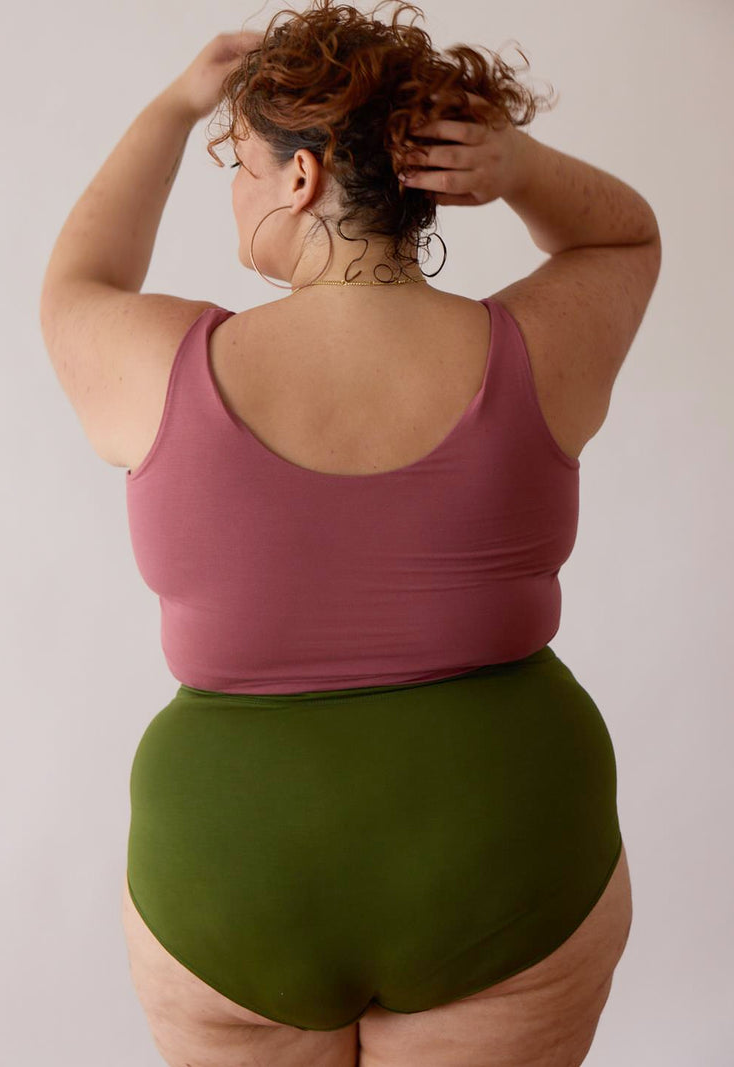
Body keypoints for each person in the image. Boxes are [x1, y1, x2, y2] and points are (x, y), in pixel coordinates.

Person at [118, 3, 661, 1065]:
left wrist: (176, 107)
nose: (232, 188)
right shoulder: (536, 347)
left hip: (233, 867)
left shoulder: (156, 363)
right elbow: (624, 235)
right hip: (507, 856)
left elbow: (75, 283)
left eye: (238, 162)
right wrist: (520, 168)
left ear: (300, 177)